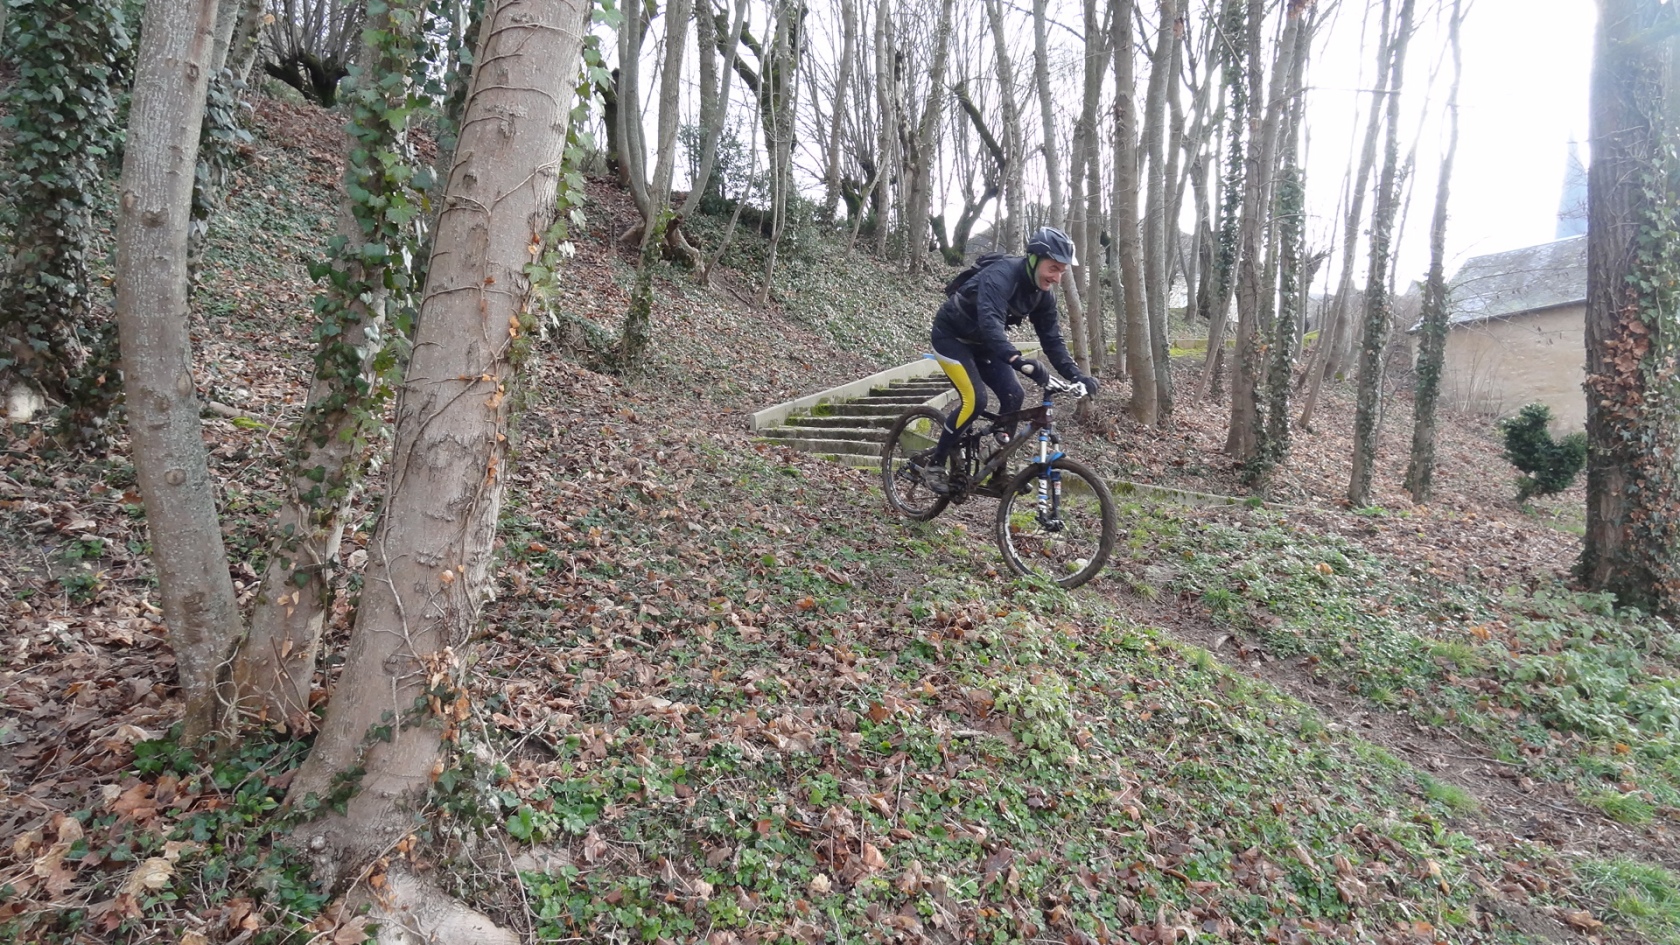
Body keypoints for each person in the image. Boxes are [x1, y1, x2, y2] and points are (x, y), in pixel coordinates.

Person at [916, 226, 1099, 495]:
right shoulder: (1001, 276)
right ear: (1034, 259)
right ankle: (935, 464)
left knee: (1014, 395)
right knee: (975, 400)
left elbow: (1052, 341)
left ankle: (997, 472)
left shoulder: (1043, 295)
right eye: (1053, 268)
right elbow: (990, 323)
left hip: (986, 346)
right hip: (951, 338)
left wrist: (1077, 375)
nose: (1057, 277)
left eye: (1062, 271)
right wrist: (1017, 359)